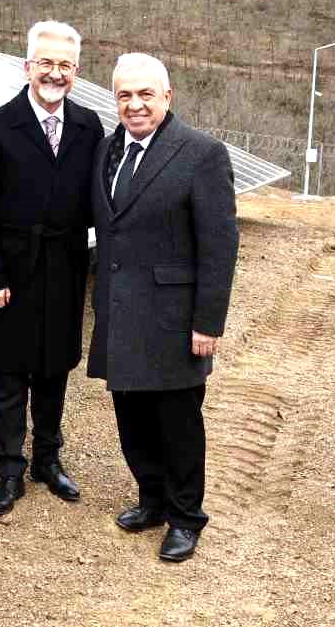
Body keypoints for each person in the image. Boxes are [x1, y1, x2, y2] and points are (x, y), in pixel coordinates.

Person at [88, 54, 238, 562]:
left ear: (167, 97)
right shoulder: (107, 151)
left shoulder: (202, 154)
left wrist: (207, 322)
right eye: (125, 95)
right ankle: (150, 500)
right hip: (120, 314)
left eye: (146, 94)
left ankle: (185, 517)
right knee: (131, 419)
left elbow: (219, 245)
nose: (135, 105)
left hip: (174, 320)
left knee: (177, 424)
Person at [0, 21, 103, 516]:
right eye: (46, 62)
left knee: (53, 371)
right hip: (11, 275)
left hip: (65, 270)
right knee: (9, 376)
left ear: (76, 73)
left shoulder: (89, 127)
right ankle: (9, 472)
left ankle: (48, 461)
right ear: (27, 67)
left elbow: (98, 202)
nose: (55, 73)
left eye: (65, 65)